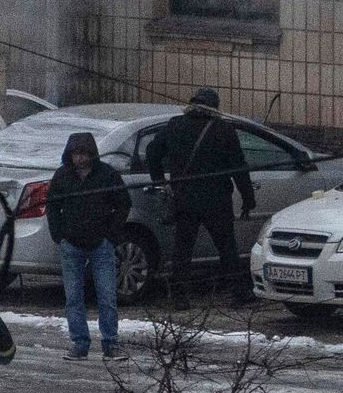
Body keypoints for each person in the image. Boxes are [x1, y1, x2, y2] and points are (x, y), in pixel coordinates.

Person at [146, 88, 256, 300]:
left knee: (183, 249)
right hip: (217, 200)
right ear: (214, 108)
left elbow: (152, 152)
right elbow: (238, 168)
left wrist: (160, 180)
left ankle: (179, 297)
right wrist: (247, 199)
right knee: (227, 248)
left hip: (185, 198)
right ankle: (239, 292)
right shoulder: (224, 130)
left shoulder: (175, 125)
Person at [46, 130, 131, 359]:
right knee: (73, 297)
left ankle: (110, 343)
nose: (80, 158)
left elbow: (123, 203)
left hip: (100, 244)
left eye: (84, 153)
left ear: (91, 154)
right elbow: (52, 206)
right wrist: (59, 235)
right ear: (70, 155)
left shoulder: (107, 175)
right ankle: (80, 343)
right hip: (71, 244)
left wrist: (111, 235)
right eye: (76, 154)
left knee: (107, 296)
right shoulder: (63, 176)